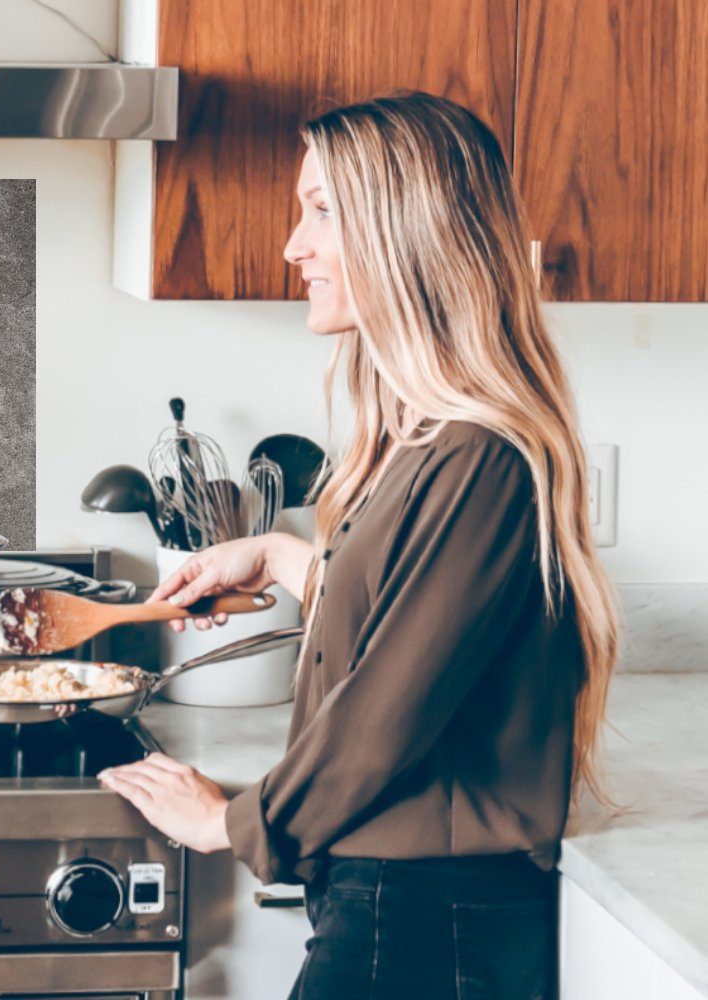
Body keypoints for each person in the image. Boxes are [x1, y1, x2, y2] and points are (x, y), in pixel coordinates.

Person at [99, 92, 619, 999]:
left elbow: (387, 710)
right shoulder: (423, 441)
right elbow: (413, 611)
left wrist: (238, 823)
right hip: (400, 903)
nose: (295, 244)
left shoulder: (482, 455)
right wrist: (278, 555)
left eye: (322, 210)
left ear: (408, 232)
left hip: (429, 918)